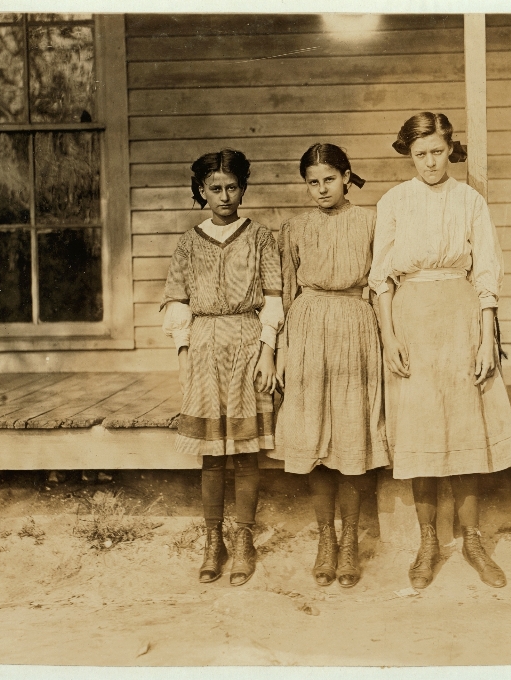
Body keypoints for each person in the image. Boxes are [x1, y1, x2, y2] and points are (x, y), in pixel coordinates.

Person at [369, 113, 511, 589]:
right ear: (409, 155)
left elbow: (486, 271)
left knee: (465, 427)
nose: (430, 162)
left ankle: (473, 539)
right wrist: (389, 337)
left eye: (437, 151)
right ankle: (428, 542)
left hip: (460, 319)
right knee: (420, 431)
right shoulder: (394, 201)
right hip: (411, 320)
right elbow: (380, 278)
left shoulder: (469, 200)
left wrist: (486, 334)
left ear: (449, 148)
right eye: (420, 155)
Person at [270, 144, 391, 588]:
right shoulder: (295, 228)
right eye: (312, 182)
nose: (321, 189)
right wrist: (280, 351)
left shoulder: (372, 222)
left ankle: (351, 543)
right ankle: (325, 539)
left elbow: (381, 285)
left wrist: (387, 338)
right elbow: (284, 294)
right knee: (315, 439)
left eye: (329, 179)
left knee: (351, 436)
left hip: (356, 330)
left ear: (346, 177)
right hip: (306, 332)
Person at [161, 149, 282, 586]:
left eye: (232, 187)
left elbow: (273, 296)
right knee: (211, 455)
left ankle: (245, 537)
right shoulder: (189, 242)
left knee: (247, 452)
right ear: (201, 191)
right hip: (205, 347)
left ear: (243, 189)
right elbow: (177, 300)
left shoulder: (260, 237)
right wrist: (183, 357)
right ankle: (215, 539)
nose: (225, 195)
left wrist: (268, 350)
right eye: (215, 188)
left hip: (248, 343)